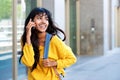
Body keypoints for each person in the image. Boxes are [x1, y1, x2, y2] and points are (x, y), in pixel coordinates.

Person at [19, 7, 77, 80]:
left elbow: (72, 59)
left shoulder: (54, 40)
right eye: (39, 18)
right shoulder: (25, 39)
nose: (43, 21)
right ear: (31, 21)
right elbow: (29, 62)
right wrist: (28, 36)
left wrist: (55, 63)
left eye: (46, 19)